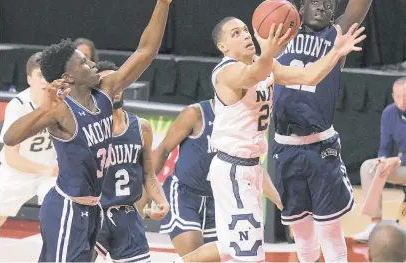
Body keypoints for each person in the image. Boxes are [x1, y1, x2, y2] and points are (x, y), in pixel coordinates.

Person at [173, 15, 366, 263]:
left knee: (229, 247)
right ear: (224, 47)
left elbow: (309, 77)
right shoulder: (226, 72)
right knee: (251, 254)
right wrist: (268, 53)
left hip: (252, 166)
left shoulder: (264, 64)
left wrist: (335, 52)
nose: (244, 35)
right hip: (233, 169)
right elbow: (251, 76)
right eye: (235, 34)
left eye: (244, 30)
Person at [3, 0, 172, 261]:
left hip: (92, 210)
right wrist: (43, 108)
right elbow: (10, 137)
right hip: (67, 207)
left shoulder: (105, 91)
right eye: (83, 63)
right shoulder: (61, 109)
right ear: (68, 77)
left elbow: (146, 51)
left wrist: (163, 3)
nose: (93, 65)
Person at [272, 0, 373, 262]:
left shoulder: (336, 34)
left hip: (321, 146)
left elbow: (357, 7)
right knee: (302, 235)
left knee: (329, 232)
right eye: (316, 2)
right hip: (285, 146)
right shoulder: (282, 31)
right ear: (300, 8)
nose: (323, 8)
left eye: (329, 4)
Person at [93, 61, 169, 263]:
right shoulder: (89, 128)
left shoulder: (141, 127)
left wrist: (161, 200)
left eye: (117, 81)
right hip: (94, 213)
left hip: (127, 214)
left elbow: (148, 174)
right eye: (106, 83)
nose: (114, 88)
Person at [0, 52, 58, 228]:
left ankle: (56, 252)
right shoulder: (18, 106)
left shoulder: (62, 101)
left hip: (52, 171)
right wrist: (43, 169)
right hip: (18, 171)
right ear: (29, 79)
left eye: (49, 75)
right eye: (40, 75)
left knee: (57, 213)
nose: (45, 80)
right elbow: (12, 157)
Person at [153, 98, 218, 256]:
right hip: (184, 194)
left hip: (218, 199)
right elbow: (163, 149)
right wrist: (146, 190)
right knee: (193, 255)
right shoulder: (195, 113)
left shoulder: (241, 118)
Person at [354, 78, 406, 243]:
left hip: (401, 162)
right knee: (368, 167)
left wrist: (396, 161)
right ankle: (375, 225)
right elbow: (385, 146)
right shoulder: (389, 113)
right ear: (393, 96)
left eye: (405, 96)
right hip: (402, 165)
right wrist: (382, 160)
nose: (402, 101)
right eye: (398, 96)